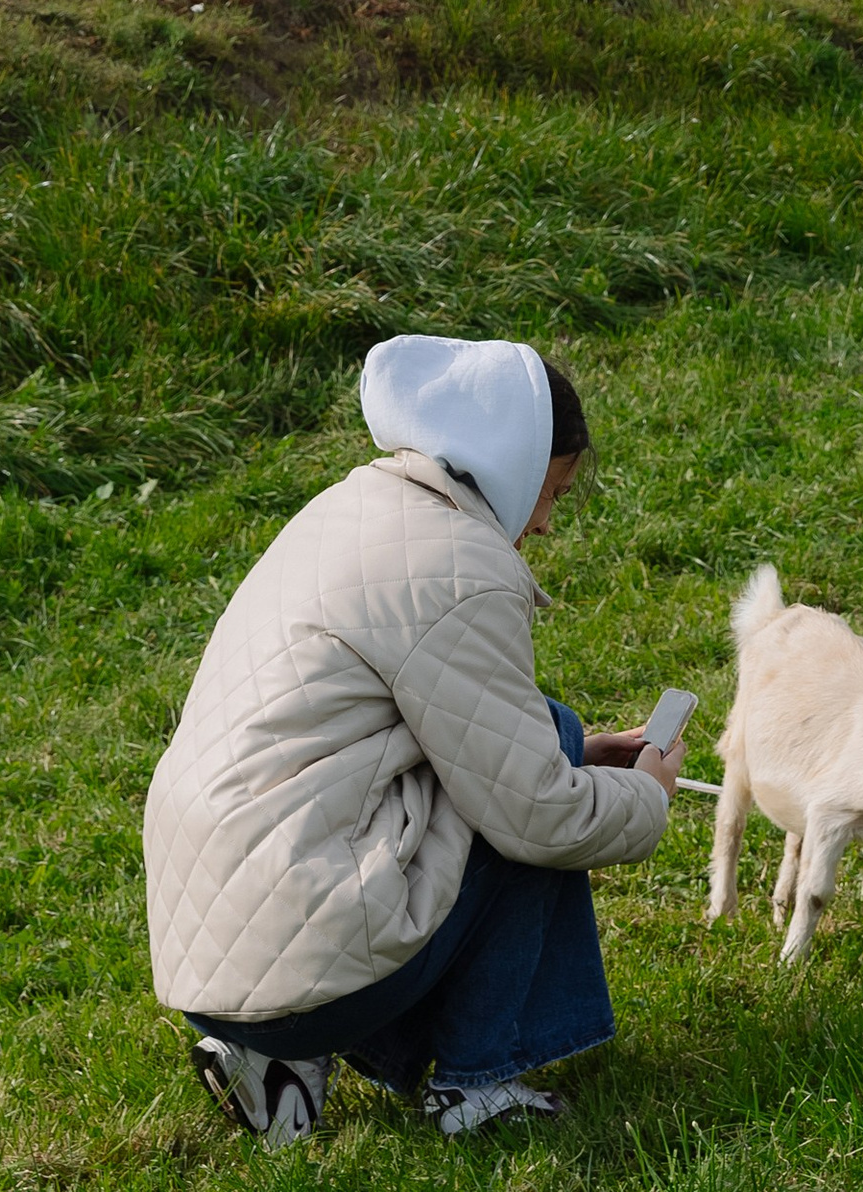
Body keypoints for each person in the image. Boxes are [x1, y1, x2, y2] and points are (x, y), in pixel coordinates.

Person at [143, 335, 677, 1143]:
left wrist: (577, 750)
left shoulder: (351, 508)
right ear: (513, 463)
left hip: (204, 955)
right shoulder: (463, 566)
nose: (541, 523)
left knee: (549, 739)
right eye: (552, 494)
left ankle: (278, 1060)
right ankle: (475, 1083)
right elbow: (536, 816)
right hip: (301, 969)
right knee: (542, 769)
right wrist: (644, 795)